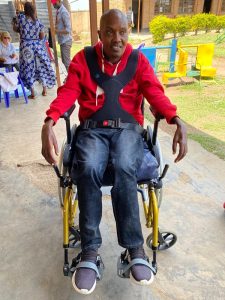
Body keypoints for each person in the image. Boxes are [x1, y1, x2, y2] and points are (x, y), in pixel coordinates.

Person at [41, 9, 187, 295]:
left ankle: (134, 249)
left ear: (128, 32)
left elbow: (155, 93)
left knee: (124, 165)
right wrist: (50, 119)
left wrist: (174, 118)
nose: (116, 39)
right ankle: (90, 251)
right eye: (109, 32)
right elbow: (68, 92)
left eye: (122, 32)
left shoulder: (138, 61)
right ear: (100, 34)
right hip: (92, 129)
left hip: (128, 130)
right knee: (89, 166)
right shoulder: (83, 59)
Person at [13, 2, 55, 99]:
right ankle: (44, 90)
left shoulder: (21, 18)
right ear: (33, 10)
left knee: (28, 68)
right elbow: (41, 36)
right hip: (37, 46)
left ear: (25, 9)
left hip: (26, 47)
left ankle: (33, 93)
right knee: (41, 67)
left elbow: (16, 29)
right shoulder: (38, 21)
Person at [52, 0, 72, 72]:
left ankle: (72, 79)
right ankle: (70, 77)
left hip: (66, 41)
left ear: (59, 1)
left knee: (67, 63)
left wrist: (56, 31)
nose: (53, 5)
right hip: (62, 41)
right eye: (52, 3)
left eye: (54, 3)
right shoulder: (58, 11)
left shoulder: (64, 12)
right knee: (65, 61)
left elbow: (68, 30)